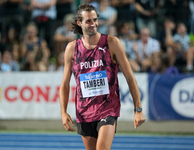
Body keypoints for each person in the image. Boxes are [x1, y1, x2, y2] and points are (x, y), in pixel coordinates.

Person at [59, 4, 146, 150]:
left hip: (108, 108)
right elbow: (65, 84)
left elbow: (130, 77)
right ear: (79, 23)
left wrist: (138, 109)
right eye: (88, 21)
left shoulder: (112, 43)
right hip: (84, 111)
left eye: (95, 19)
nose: (93, 24)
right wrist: (63, 112)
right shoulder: (72, 48)